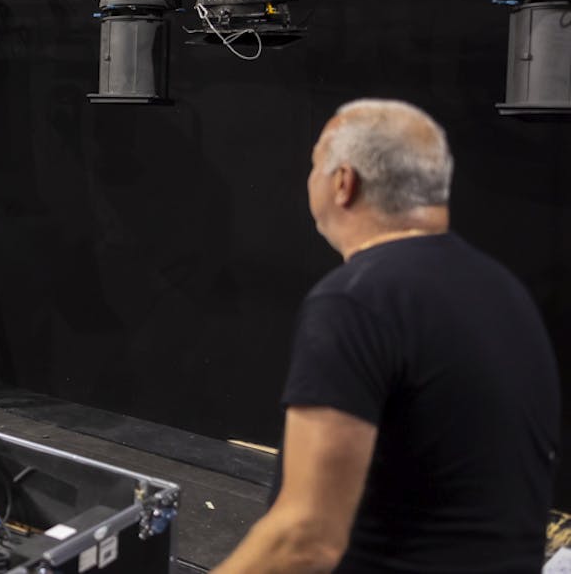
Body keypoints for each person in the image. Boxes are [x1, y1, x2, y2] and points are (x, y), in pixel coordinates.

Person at [214, 99, 560, 574]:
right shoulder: (504, 289)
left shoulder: (355, 299)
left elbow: (305, 539)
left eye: (315, 165)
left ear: (343, 182)